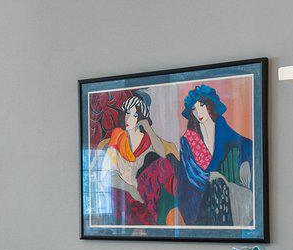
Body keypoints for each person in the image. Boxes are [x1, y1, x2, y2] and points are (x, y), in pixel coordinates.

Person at [174, 83, 253, 227]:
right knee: (217, 185)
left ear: (210, 106)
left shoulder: (221, 127)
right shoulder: (188, 139)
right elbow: (190, 172)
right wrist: (210, 176)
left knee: (220, 186)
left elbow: (245, 143)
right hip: (194, 192)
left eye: (202, 106)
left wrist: (245, 161)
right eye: (194, 109)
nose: (198, 112)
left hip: (218, 187)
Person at [95, 91, 177, 226]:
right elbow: (107, 176)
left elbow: (163, 156)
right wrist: (130, 189)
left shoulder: (147, 139)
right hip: (123, 192)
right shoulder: (118, 138)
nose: (129, 119)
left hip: (145, 195)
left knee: (161, 163)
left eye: (135, 115)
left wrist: (148, 128)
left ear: (142, 118)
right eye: (127, 113)